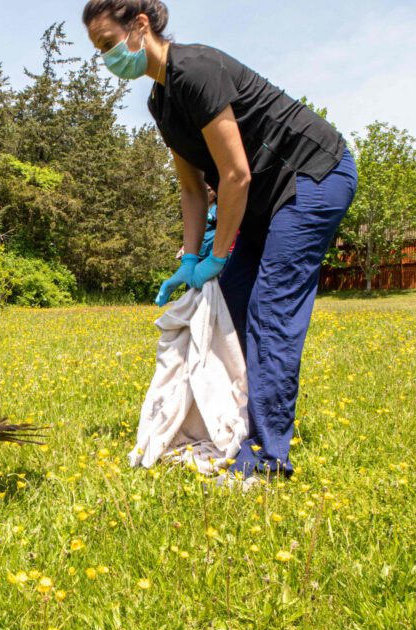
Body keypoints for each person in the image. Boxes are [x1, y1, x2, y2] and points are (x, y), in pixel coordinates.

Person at [84, 0, 358, 485]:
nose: (106, 59)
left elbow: (235, 173)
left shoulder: (195, 69)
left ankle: (267, 458)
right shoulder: (160, 102)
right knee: (226, 307)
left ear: (140, 26)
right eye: (98, 51)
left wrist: (217, 254)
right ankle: (234, 426)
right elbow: (192, 187)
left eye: (108, 44)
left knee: (270, 312)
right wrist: (191, 260)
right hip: (262, 196)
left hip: (313, 175)